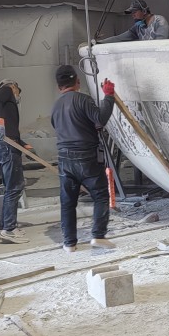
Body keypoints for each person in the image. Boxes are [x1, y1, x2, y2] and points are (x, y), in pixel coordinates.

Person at [51, 65, 116, 253]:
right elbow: (100, 118)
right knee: (100, 195)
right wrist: (108, 96)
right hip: (86, 156)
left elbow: (61, 126)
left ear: (59, 86)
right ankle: (98, 236)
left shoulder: (55, 106)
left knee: (68, 202)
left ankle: (69, 243)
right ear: (77, 81)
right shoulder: (83, 100)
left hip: (64, 159)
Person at [0, 80, 29, 244]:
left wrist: (22, 144)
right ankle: (9, 229)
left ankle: (8, 226)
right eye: (18, 91)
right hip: (7, 148)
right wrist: (0, 120)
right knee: (14, 188)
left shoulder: (5, 107)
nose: (17, 95)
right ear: (13, 87)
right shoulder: (6, 90)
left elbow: (11, 130)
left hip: (2, 147)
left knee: (11, 189)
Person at [101, 0, 169, 43]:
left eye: (134, 12)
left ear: (144, 11)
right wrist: (99, 42)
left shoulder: (159, 21)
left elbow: (160, 43)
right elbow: (119, 38)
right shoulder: (138, 27)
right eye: (132, 13)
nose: (133, 15)